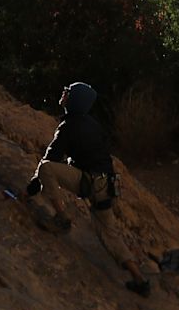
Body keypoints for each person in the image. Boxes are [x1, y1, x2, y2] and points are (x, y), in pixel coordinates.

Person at [26, 82, 158, 298]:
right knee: (109, 232)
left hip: (90, 182)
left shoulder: (68, 126)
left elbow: (49, 161)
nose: (63, 93)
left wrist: (31, 188)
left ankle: (62, 218)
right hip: (106, 186)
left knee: (47, 169)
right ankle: (140, 280)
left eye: (67, 92)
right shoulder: (93, 124)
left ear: (74, 100)